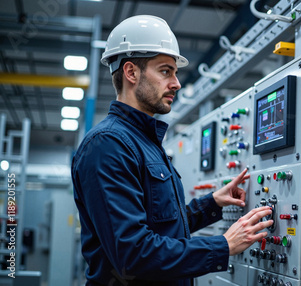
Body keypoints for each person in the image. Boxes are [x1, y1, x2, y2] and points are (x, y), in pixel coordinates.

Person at [71, 15, 273, 286]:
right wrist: (223, 246)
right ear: (131, 72)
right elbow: (132, 254)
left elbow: (163, 225)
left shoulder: (144, 142)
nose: (177, 83)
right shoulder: (107, 145)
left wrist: (212, 203)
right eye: (166, 71)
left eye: (175, 73)